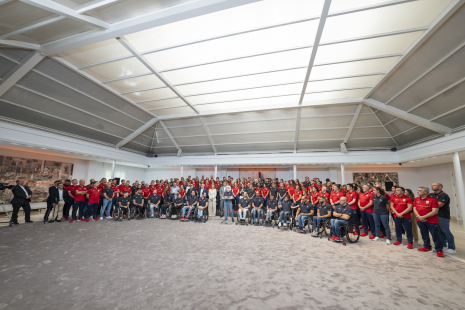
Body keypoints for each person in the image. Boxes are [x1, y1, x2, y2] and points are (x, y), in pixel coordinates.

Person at [414, 187, 444, 257]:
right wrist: (419, 216)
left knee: (435, 235)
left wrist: (423, 217)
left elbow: (435, 211)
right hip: (420, 220)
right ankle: (427, 247)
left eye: (420, 190)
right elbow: (415, 209)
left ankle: (439, 250)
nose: (418, 192)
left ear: (425, 192)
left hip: (431, 221)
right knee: (424, 234)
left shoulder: (433, 200)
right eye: (417, 190)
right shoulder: (416, 199)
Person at [430, 183, 455, 254]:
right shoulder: (431, 195)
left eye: (434, 185)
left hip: (443, 216)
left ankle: (451, 247)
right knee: (438, 231)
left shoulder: (444, 195)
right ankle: (443, 245)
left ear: (440, 187)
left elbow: (439, 205)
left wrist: (428, 204)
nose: (432, 186)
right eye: (432, 185)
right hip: (433, 215)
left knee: (445, 231)